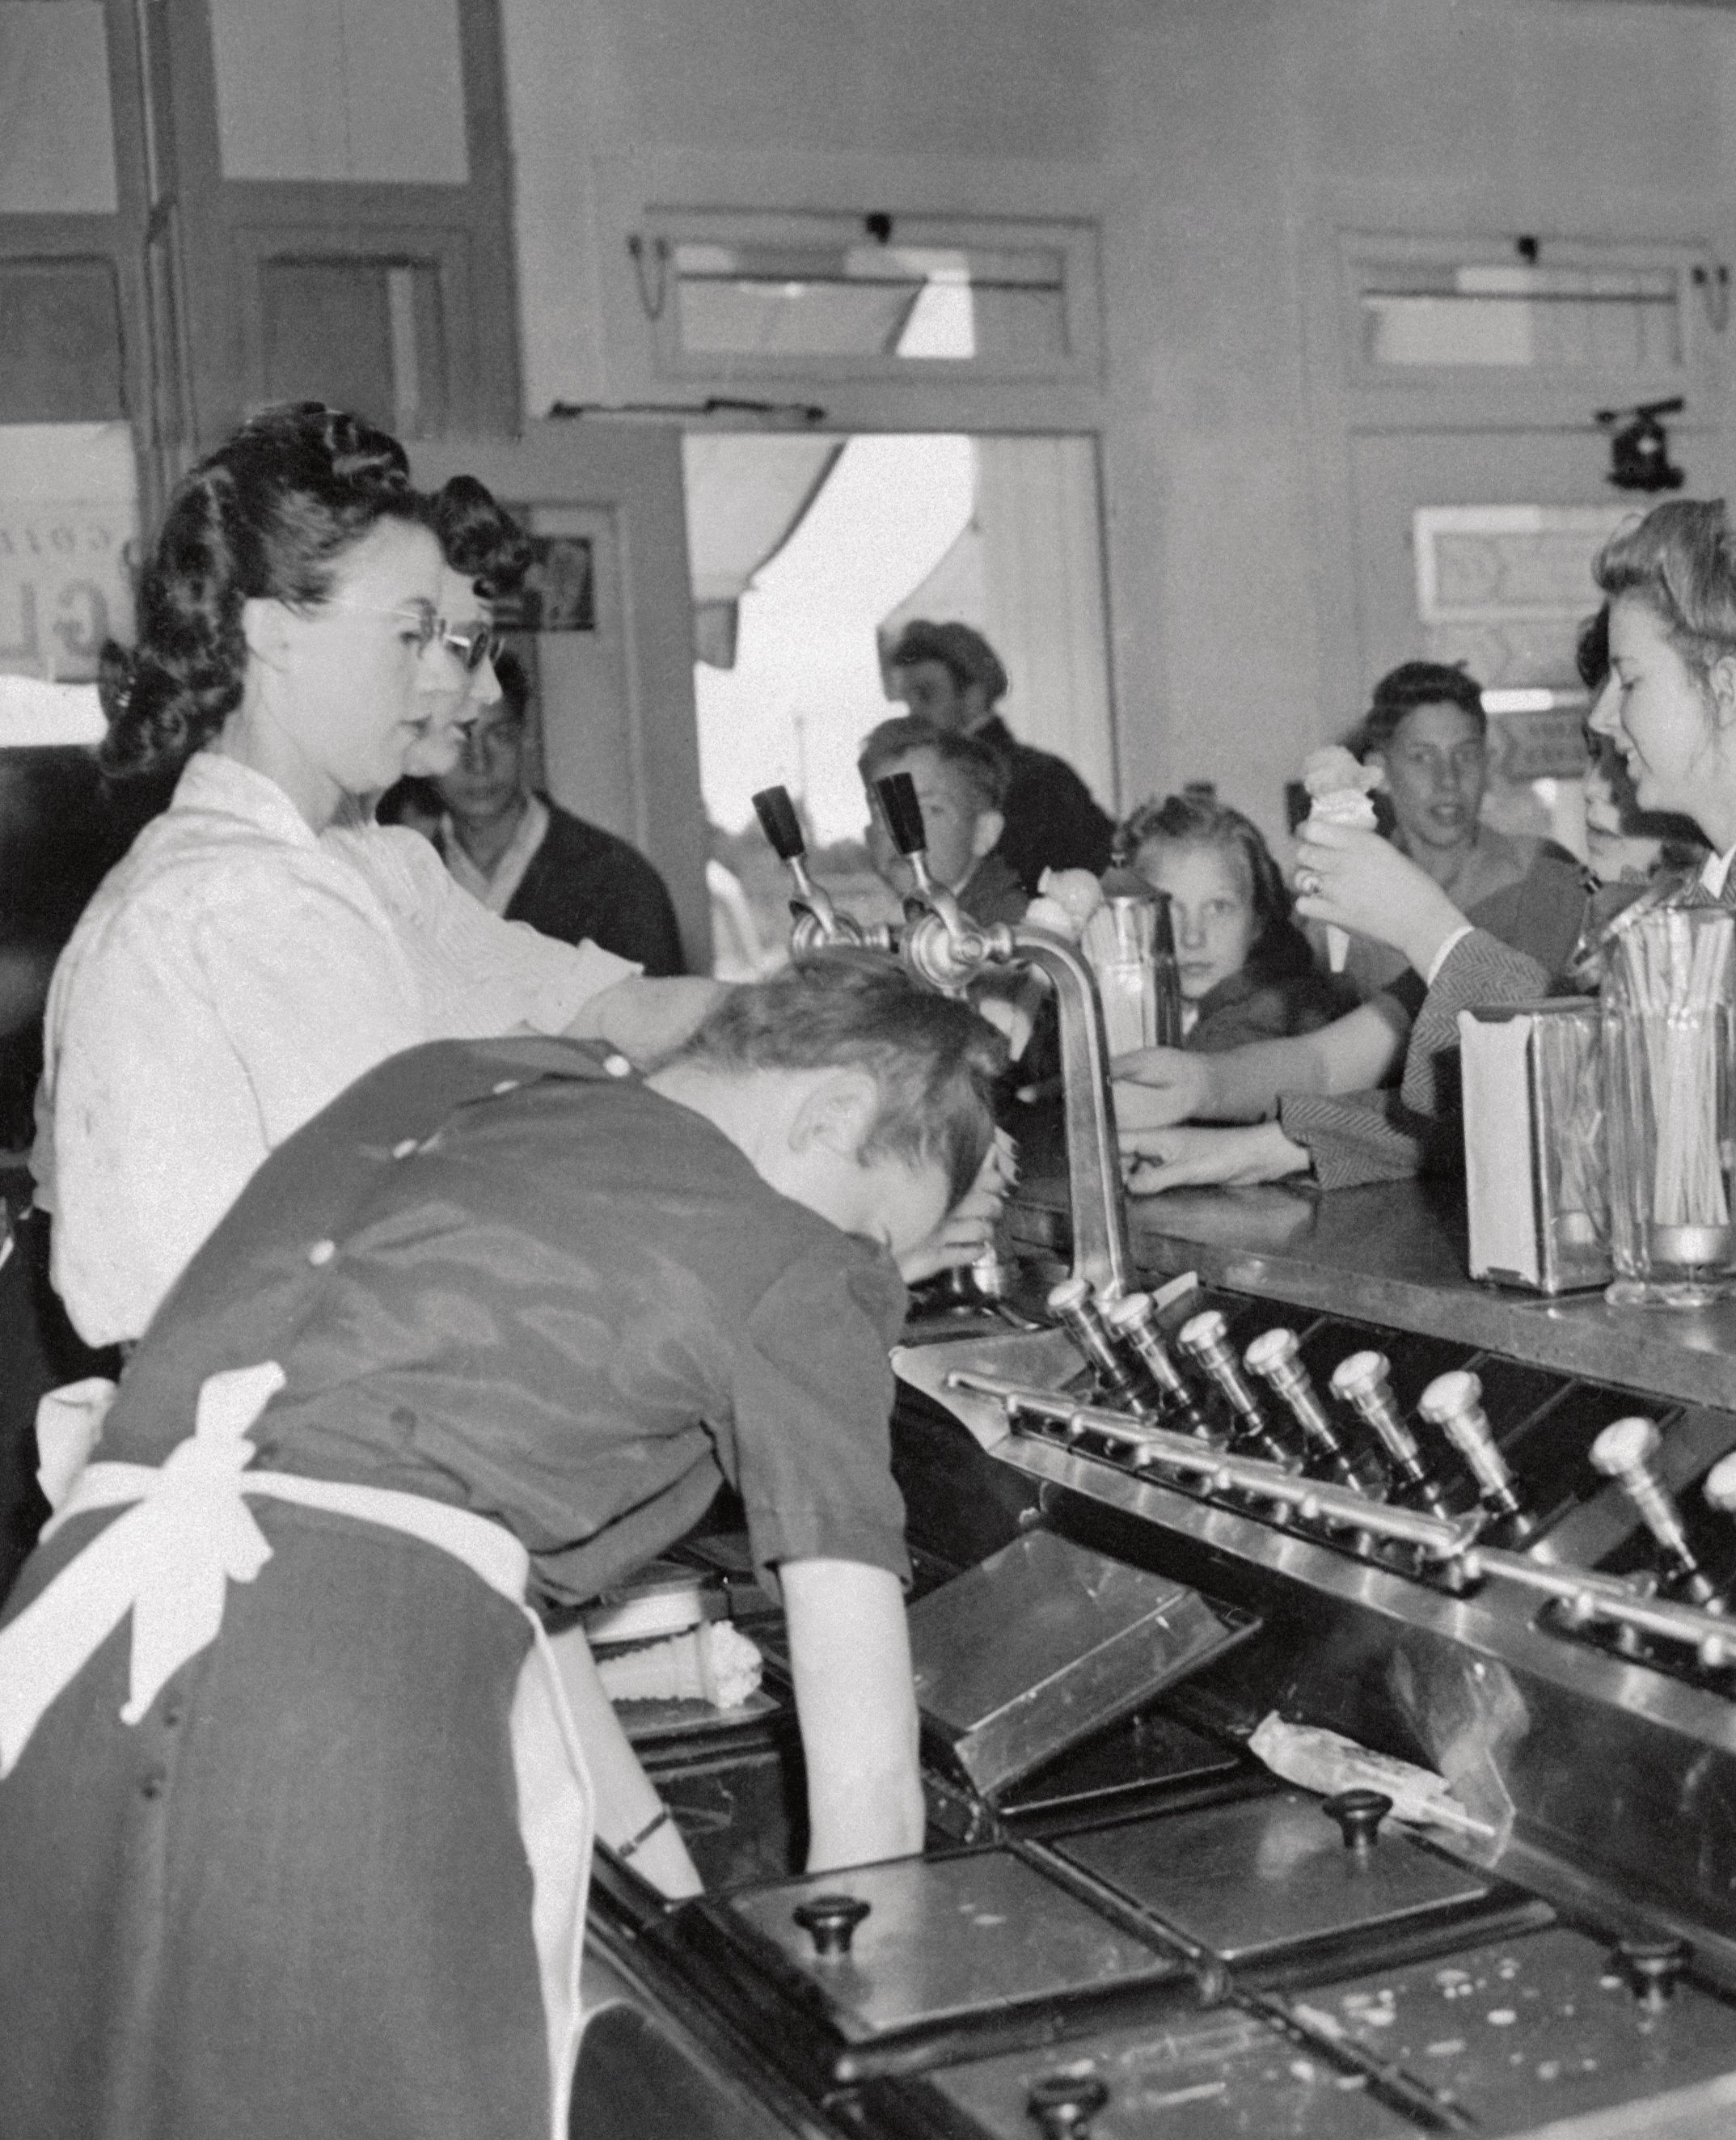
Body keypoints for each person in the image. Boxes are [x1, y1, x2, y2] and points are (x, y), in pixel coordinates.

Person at [0, 957, 1007, 2140]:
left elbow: (486, 1570)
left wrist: (669, 1891)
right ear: (831, 1113)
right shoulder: (796, 1258)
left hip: (61, 1669)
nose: (872, 1269)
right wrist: (855, 2064)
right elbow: (869, 1784)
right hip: (329, 1723)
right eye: (881, 1233)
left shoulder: (443, 1084)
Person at [36, 403, 724, 1351]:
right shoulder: (238, 897)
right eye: (413, 636)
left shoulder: (357, 861)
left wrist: (841, 1019)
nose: (450, 687)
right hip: (258, 1425)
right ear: (274, 633)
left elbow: (589, 1010)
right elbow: (440, 1192)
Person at [1121, 500, 1736, 1228]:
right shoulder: (1719, 875)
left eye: (1630, 679)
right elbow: (1559, 1078)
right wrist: (1266, 1145)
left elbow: (1630, 1119)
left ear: (1726, 689)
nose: (1603, 715)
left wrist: (1428, 927)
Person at [404, 653, 688, 975]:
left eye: (499, 736)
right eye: (457, 738)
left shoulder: (618, 881)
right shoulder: (402, 885)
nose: (479, 763)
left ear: (526, 740)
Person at [1332, 662, 1590, 992]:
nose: (1448, 779)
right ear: (1378, 773)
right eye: (1422, 757)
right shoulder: (1349, 902)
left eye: (1465, 755)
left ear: (1487, 762)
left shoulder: (1542, 869)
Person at [1115, 792, 1357, 1050]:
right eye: (1168, 909)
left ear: (1258, 920)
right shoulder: (1134, 1011)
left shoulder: (1270, 1025)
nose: (1193, 938)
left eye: (1219, 907)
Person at [887, 619, 1113, 886]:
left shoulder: (1029, 781)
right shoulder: (1044, 770)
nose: (913, 714)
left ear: (973, 697)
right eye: (908, 700)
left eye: (926, 695)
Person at [858, 716, 1032, 928]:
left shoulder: (1008, 930)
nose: (899, 830)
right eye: (882, 811)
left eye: (929, 810)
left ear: (983, 832)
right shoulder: (899, 919)